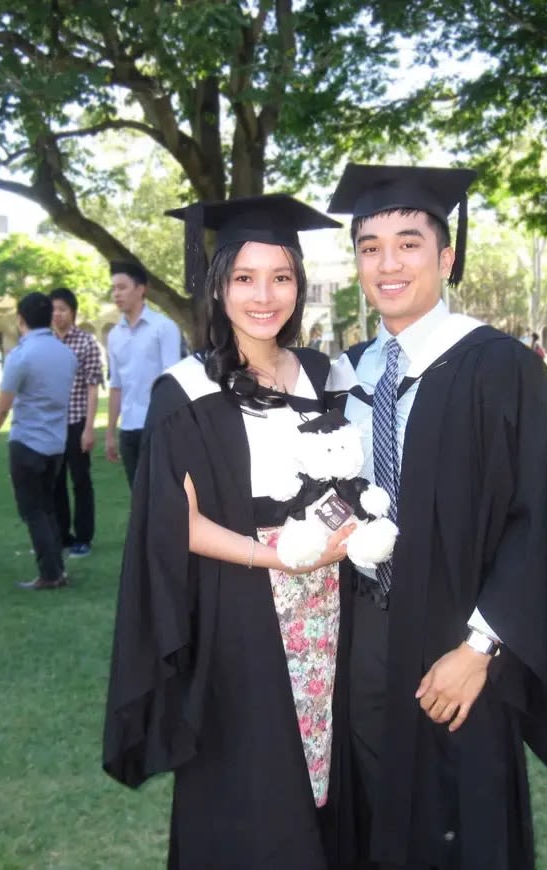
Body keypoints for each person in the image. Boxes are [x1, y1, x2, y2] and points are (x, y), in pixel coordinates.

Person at [326, 164, 547, 869]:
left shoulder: (502, 369)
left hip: (459, 642)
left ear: (446, 257)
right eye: (369, 246)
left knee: (461, 819)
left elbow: (541, 519)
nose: (388, 263)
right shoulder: (344, 376)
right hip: (361, 637)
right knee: (367, 806)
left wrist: (482, 649)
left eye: (409, 243)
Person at [103, 195, 355, 869]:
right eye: (244, 277)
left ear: (299, 286)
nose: (264, 295)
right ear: (218, 285)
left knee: (333, 773)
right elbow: (173, 522)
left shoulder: (327, 376)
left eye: (281, 277)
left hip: (336, 612)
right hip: (243, 611)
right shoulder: (187, 391)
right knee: (252, 783)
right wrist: (274, 556)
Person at [0, 292, 77, 590]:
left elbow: (2, 407)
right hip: (56, 443)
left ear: (21, 320)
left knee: (34, 510)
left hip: (28, 442)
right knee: (47, 508)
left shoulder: (21, 356)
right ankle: (57, 568)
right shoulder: (66, 354)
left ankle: (51, 573)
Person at [104, 261, 182, 489]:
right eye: (114, 289)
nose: (116, 294)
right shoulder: (114, 335)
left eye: (122, 287)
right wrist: (110, 432)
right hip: (129, 428)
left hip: (158, 426)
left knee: (162, 495)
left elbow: (172, 384)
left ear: (141, 289)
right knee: (137, 497)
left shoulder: (164, 328)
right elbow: (116, 386)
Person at [49, 288, 104, 557]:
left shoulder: (86, 342)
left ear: (73, 312)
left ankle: (83, 537)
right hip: (51, 425)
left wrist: (89, 427)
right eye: (53, 309)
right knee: (54, 482)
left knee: (81, 481)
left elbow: (93, 387)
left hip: (77, 421)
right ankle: (62, 535)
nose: (57, 315)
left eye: (62, 309)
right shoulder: (45, 342)